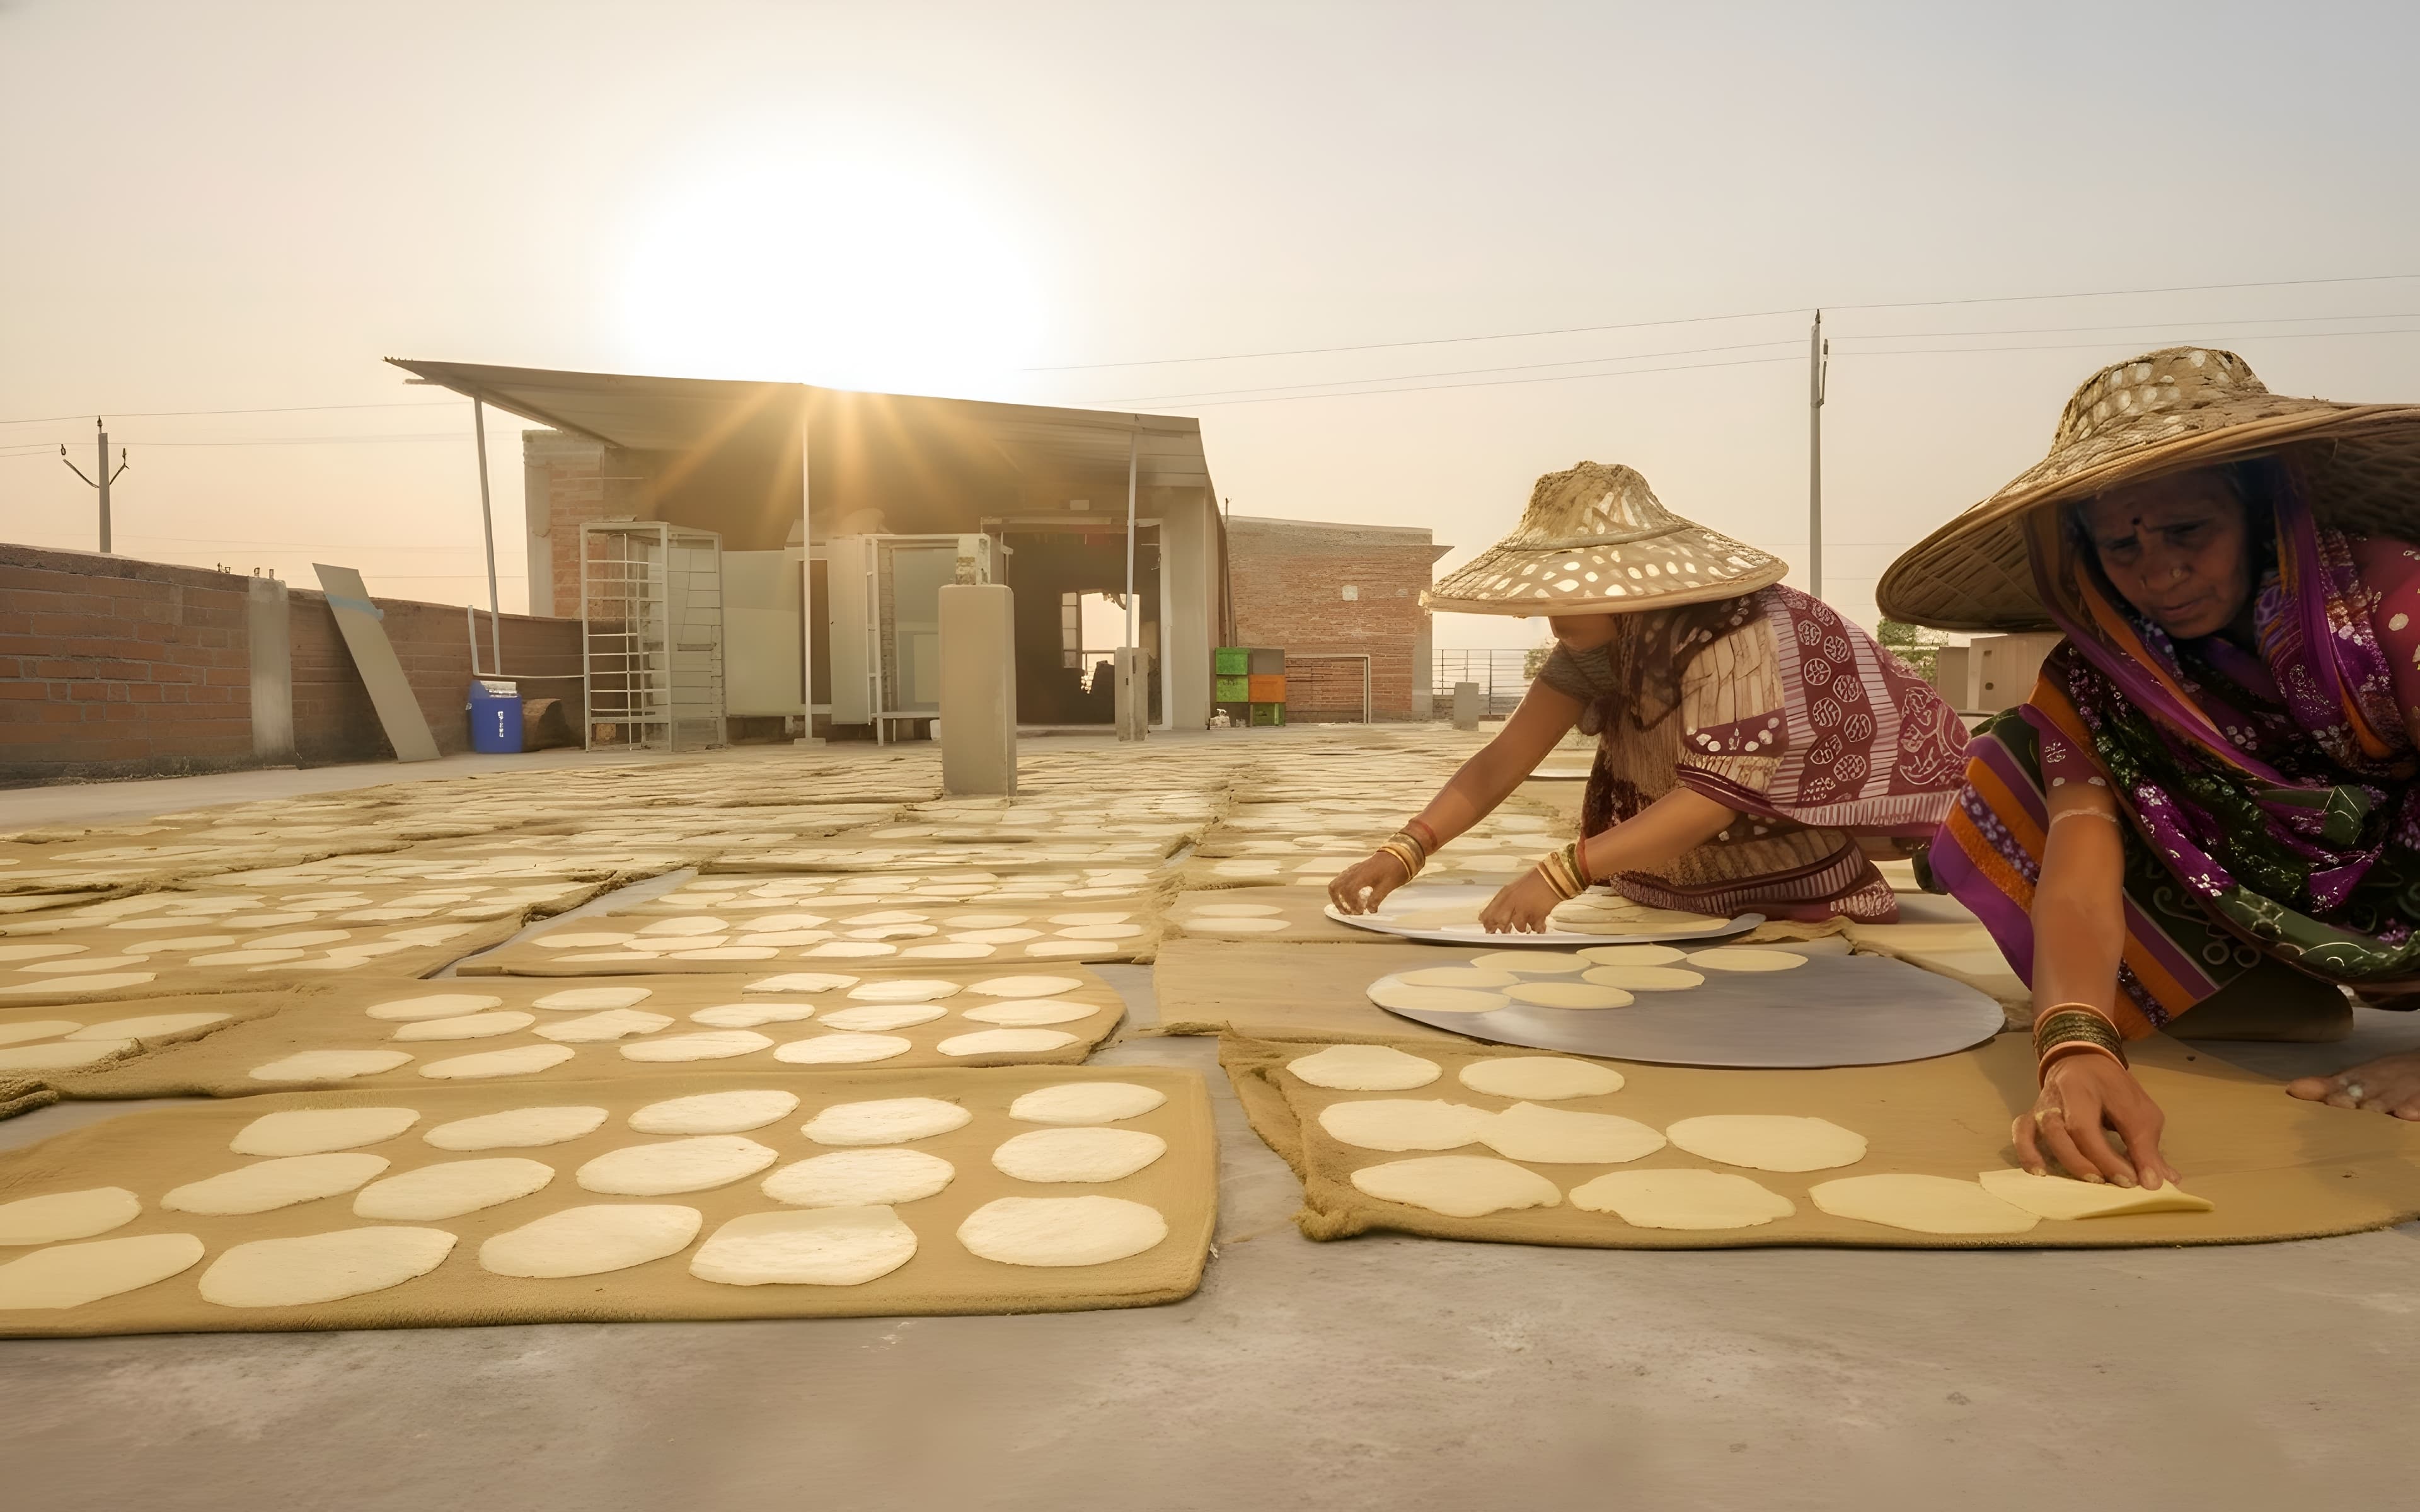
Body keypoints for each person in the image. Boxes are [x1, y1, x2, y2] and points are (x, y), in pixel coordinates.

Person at [1882, 346, 2420, 1189]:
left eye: (2188, 530)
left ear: (2262, 510)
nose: (2159, 570)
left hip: (2402, 882)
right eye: (2118, 545)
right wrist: (2072, 1043)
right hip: (2283, 908)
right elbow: (2082, 853)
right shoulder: (2105, 676)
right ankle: (2267, 994)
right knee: (2010, 759)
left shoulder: (2398, 600)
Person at [1329, 461, 1973, 934]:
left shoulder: (1739, 639)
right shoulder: (1597, 647)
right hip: (1663, 892)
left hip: (1787, 886)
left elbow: (1712, 800)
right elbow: (1504, 759)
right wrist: (1405, 849)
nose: (1552, 614)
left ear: (1632, 584)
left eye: (1571, 591)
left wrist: (1561, 874)